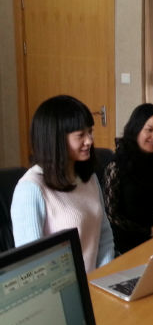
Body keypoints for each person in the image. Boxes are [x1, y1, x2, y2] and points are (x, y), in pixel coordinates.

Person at [11, 95, 114, 273]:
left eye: (90, 132)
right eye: (80, 135)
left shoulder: (88, 177)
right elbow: (32, 265)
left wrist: (105, 277)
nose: (89, 141)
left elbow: (104, 235)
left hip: (96, 282)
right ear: (56, 139)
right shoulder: (30, 188)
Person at [103, 103, 153, 254]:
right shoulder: (116, 166)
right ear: (136, 129)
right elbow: (111, 215)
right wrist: (150, 231)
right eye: (149, 130)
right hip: (124, 244)